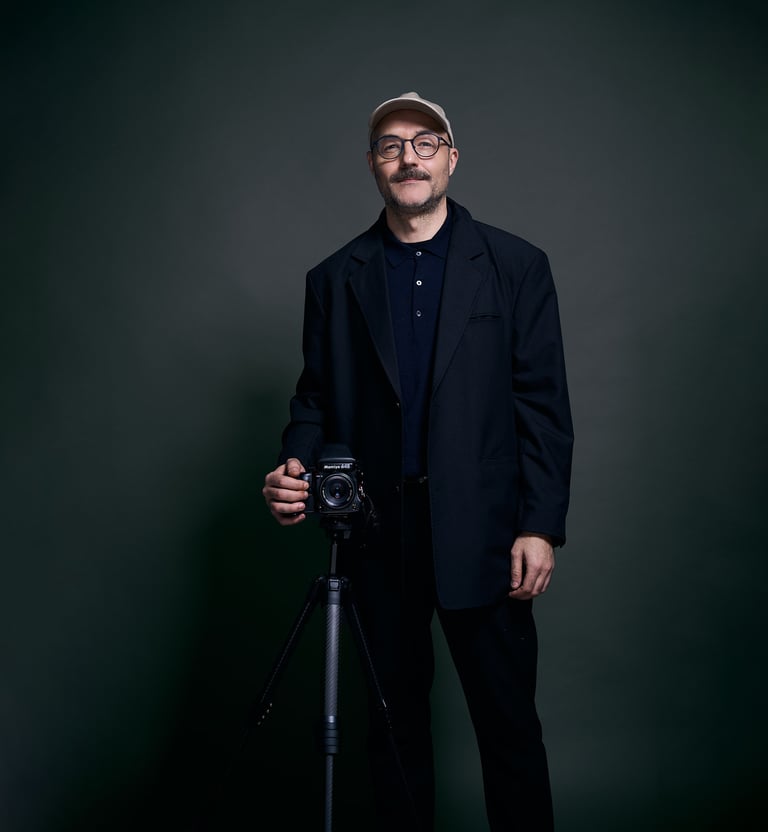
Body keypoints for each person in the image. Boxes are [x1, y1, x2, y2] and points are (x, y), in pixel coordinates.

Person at [263, 91, 573, 831]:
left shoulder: (516, 265)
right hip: (377, 539)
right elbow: (315, 399)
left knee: (509, 729)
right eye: (392, 145)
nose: (409, 156)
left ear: (451, 159)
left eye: (425, 142)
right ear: (373, 164)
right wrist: (292, 464)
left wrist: (540, 525)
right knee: (392, 733)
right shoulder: (333, 278)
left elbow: (543, 404)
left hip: (488, 535)